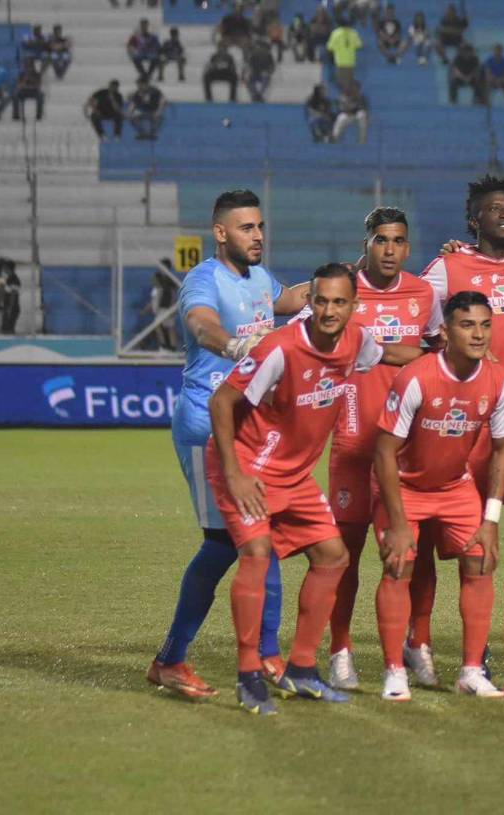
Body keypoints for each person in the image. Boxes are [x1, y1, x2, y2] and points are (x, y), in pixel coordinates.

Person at [147, 189, 312, 700]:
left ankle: (263, 656)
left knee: (263, 537)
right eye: (246, 228)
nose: (257, 236)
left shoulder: (259, 278)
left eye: (260, 226)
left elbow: (293, 299)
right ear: (220, 233)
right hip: (205, 425)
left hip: (249, 429)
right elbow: (202, 325)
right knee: (224, 543)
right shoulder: (203, 280)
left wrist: (356, 273)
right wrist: (236, 345)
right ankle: (175, 658)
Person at [205, 264, 384, 715]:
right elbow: (222, 401)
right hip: (249, 465)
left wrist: (440, 352)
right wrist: (234, 474)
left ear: (354, 306)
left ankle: (302, 669)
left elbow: (387, 355)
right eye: (320, 300)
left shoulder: (359, 341)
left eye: (339, 302)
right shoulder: (280, 348)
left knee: (333, 556)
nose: (329, 310)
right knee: (256, 553)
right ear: (310, 302)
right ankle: (249, 675)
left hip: (295, 475)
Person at [411, 175, 504, 682]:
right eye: (494, 208)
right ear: (474, 219)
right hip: (461, 427)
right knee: (440, 537)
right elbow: (421, 318)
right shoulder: (449, 266)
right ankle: (421, 641)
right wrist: (450, 351)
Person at [372, 291, 504, 700]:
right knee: (398, 565)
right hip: (403, 485)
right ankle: (395, 672)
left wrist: (491, 519)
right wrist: (398, 524)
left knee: (481, 560)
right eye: (467, 325)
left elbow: (503, 449)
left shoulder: (497, 379)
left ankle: (471, 671)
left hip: (454, 486)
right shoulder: (416, 377)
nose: (478, 334)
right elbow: (383, 452)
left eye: (485, 325)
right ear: (445, 331)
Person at [323, 208, 434, 691]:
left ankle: (418, 642)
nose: (389, 250)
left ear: (407, 247)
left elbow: (441, 352)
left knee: (414, 554)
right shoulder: (343, 291)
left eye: (398, 241)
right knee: (342, 555)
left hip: (411, 448)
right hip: (353, 441)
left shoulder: (424, 293)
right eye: (381, 240)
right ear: (366, 243)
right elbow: (314, 336)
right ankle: (340, 650)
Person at [142, 260, 179, 351]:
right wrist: (147, 309)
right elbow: (154, 299)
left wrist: (173, 308)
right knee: (160, 327)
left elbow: (173, 295)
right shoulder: (157, 286)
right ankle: (165, 346)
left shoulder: (169, 281)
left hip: (167, 307)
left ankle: (170, 347)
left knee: (169, 328)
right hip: (160, 309)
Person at [327, 16, 363, 91]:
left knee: (342, 83)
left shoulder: (335, 33)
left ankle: (352, 91)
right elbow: (359, 45)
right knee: (347, 81)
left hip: (340, 61)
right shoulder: (354, 33)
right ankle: (354, 89)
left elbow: (329, 47)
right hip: (351, 61)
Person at [332, 80, 370, 144]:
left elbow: (365, 109)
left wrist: (355, 107)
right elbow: (341, 108)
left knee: (362, 114)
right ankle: (334, 138)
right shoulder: (344, 96)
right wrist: (349, 107)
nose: (355, 89)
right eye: (353, 88)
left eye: (356, 88)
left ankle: (362, 140)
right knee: (341, 117)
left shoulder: (362, 98)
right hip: (347, 115)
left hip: (357, 116)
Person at [244, 37, 276, 103]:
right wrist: (252, 71)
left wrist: (269, 72)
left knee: (265, 80)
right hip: (256, 73)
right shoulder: (254, 54)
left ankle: (258, 95)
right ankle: (257, 95)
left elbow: (272, 65)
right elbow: (250, 64)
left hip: (263, 73)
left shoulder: (268, 54)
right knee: (248, 81)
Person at [0, 257, 20, 334]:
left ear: (8, 269)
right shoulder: (7, 278)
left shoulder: (14, 280)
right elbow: (1, 289)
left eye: (5, 268)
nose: (3, 270)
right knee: (5, 328)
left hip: (12, 308)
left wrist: (10, 308)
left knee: (7, 329)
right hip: (7, 307)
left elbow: (13, 296)